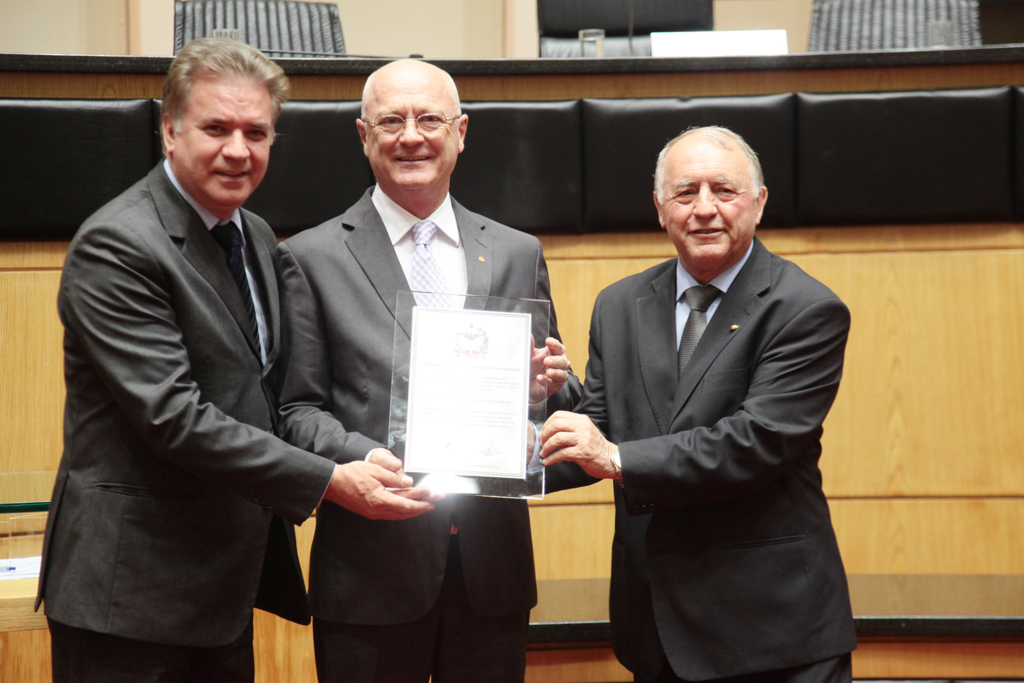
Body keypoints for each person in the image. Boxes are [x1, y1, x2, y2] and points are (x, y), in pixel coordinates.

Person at [37, 38, 437, 683]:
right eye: (216, 128)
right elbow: (174, 417)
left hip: (219, 587)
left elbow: (269, 388)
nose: (237, 151)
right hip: (128, 597)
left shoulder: (251, 235)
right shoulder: (118, 245)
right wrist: (330, 480)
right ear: (169, 130)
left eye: (257, 132)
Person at [274, 58, 580, 683]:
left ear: (460, 132)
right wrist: (369, 461)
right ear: (364, 136)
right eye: (391, 119)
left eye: (429, 119)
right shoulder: (308, 257)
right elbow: (296, 411)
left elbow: (548, 399)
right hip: (369, 573)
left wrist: (549, 385)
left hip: (491, 574)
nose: (411, 135)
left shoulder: (518, 252)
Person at [540, 126, 857, 683]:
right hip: (656, 631)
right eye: (685, 193)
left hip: (773, 635)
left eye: (724, 191)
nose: (704, 209)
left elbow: (753, 443)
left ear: (758, 204)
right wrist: (515, 443)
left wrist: (615, 458)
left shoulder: (805, 309)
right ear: (661, 208)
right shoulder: (620, 304)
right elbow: (601, 426)